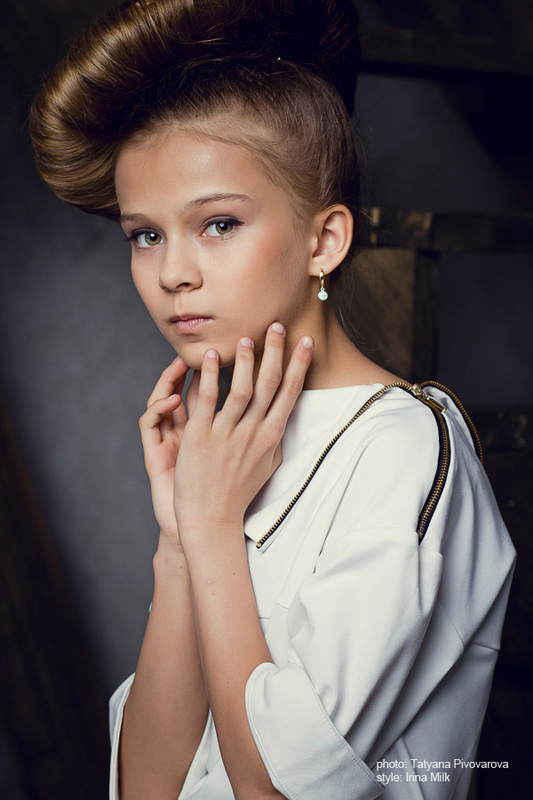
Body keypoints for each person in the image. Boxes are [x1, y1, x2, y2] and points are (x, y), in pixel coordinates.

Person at [29, 1, 516, 798]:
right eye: (145, 235)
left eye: (217, 224)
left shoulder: (401, 447)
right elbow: (147, 787)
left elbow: (277, 791)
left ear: (323, 240)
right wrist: (180, 540)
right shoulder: (220, 450)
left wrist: (212, 527)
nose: (172, 273)